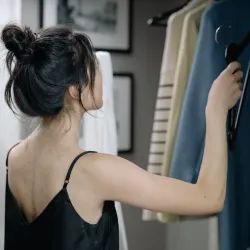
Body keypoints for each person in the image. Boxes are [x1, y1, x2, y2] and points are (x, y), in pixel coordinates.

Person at [1, 24, 242, 250]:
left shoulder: (14, 157)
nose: (101, 73)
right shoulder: (94, 171)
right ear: (74, 89)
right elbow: (209, 198)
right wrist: (216, 109)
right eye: (93, 66)